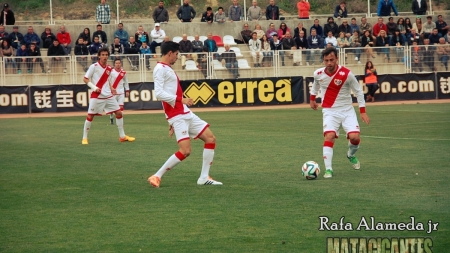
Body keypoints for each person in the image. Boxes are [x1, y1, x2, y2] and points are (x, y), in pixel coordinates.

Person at [148, 41, 222, 188]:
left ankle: (204, 177)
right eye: (176, 54)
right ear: (170, 53)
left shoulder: (166, 68)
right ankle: (157, 175)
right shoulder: (160, 69)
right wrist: (178, 104)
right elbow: (159, 93)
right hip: (177, 114)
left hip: (184, 112)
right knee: (185, 150)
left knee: (211, 139)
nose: (177, 57)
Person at [310, 47, 370, 178]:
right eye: (326, 60)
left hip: (347, 110)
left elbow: (359, 91)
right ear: (323, 61)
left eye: (332, 60)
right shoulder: (318, 74)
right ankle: (328, 170)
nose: (329, 63)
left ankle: (351, 155)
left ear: (337, 59)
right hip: (329, 111)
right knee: (329, 136)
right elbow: (315, 86)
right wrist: (312, 99)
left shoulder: (347, 74)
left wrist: (362, 111)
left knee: (355, 137)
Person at [82, 47, 135, 145]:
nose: (105, 57)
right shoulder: (94, 66)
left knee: (119, 113)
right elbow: (85, 79)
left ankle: (122, 136)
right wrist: (94, 87)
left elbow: (108, 80)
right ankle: (84, 138)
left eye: (106, 55)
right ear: (99, 56)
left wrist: (111, 88)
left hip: (108, 95)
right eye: (103, 55)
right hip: (97, 95)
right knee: (90, 116)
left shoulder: (109, 68)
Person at [108, 59, 130, 125]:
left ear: (121, 64)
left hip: (121, 91)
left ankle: (120, 121)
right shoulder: (111, 72)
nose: (118, 64)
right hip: (113, 91)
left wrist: (127, 90)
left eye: (119, 63)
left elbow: (126, 82)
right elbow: (108, 81)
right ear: (114, 64)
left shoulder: (123, 73)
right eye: (116, 63)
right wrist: (110, 89)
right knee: (113, 107)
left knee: (121, 106)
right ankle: (111, 117)